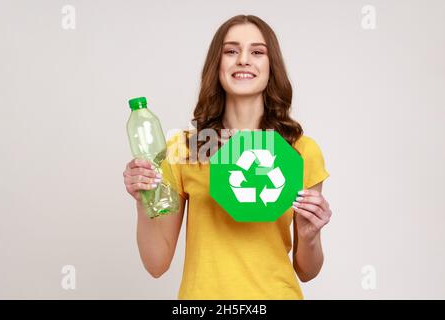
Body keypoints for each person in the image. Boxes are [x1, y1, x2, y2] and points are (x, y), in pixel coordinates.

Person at [122, 14, 332, 300]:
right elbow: (156, 263)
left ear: (272, 67)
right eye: (231, 51)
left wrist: (310, 236)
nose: (243, 59)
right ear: (217, 65)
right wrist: (142, 200)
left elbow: (307, 271)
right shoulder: (184, 149)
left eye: (257, 52)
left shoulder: (301, 150)